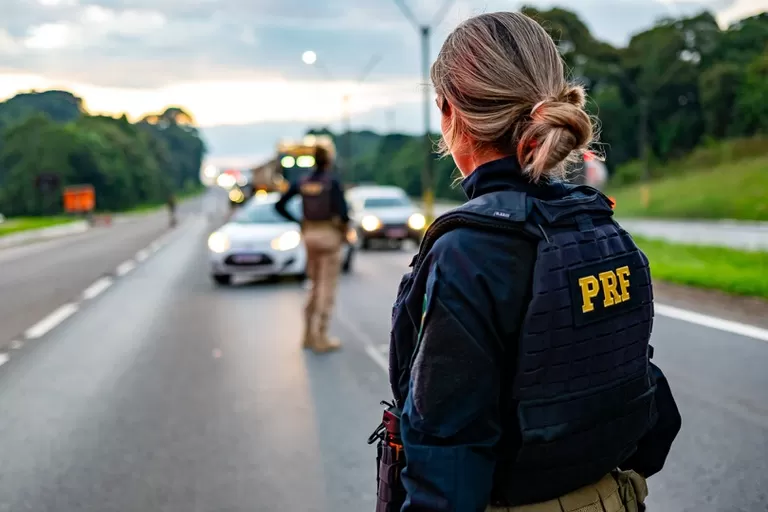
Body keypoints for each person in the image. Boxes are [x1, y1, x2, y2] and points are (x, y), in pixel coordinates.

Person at [378, 11, 681, 512]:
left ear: (450, 114)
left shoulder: (468, 252)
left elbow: (447, 462)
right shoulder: (600, 226)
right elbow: (651, 415)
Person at [275, 146, 349, 354]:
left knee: (314, 285)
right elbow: (343, 213)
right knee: (327, 287)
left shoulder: (303, 181)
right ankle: (321, 336)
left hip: (309, 234)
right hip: (328, 234)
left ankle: (307, 334)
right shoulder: (331, 182)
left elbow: (279, 205)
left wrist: (299, 221)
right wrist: (343, 232)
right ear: (328, 160)